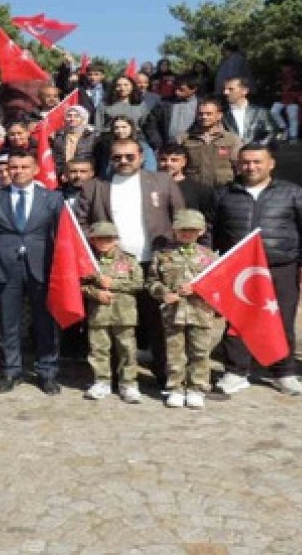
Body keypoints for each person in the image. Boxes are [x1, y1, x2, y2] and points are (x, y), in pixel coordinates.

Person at [213, 143, 302, 396]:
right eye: (245, 162)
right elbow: (210, 229)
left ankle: (283, 372)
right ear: (238, 165)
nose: (251, 167)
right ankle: (235, 371)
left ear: (270, 164)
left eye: (257, 162)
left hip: (281, 267)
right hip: (239, 267)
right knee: (237, 321)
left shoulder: (292, 193)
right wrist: (210, 262)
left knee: (281, 320)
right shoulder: (224, 194)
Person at [77, 137, 185, 388]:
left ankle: (165, 374)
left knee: (158, 322)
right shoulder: (94, 187)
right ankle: (116, 377)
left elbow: (179, 218)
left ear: (142, 157)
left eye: (129, 156)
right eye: (117, 157)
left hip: (153, 263)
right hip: (114, 268)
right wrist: (97, 245)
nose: (123, 161)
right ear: (110, 159)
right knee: (116, 323)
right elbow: (80, 223)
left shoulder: (162, 181)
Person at [0, 151, 65, 395]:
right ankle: (10, 371)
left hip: (42, 266)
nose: (19, 171)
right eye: (14, 167)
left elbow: (63, 236)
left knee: (45, 322)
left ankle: (47, 372)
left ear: (36, 170)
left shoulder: (53, 199)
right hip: (4, 267)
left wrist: (62, 270)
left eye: (25, 167)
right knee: (7, 322)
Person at [148, 209, 220, 409]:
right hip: (173, 313)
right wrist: (163, 293)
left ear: (201, 231)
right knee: (174, 352)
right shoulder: (163, 255)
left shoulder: (210, 257)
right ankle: (175, 388)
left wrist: (197, 289)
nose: (187, 233)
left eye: (192, 230)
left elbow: (218, 285)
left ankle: (197, 388)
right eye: (183, 230)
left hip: (201, 312)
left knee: (200, 352)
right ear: (175, 230)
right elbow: (151, 281)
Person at [80, 221, 145, 403]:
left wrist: (113, 284)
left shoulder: (128, 260)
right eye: (99, 239)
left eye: (108, 239)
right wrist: (96, 293)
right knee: (98, 349)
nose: (103, 243)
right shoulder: (88, 261)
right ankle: (101, 381)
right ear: (92, 241)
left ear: (116, 240)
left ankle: (128, 384)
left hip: (124, 314)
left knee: (127, 350)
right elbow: (80, 285)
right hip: (98, 314)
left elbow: (138, 284)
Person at [179, 98, 242, 188]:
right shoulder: (184, 139)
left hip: (224, 189)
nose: (204, 117)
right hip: (194, 188)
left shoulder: (232, 139)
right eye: (200, 114)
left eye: (209, 114)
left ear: (219, 115)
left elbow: (239, 166)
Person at [156, 143, 215, 237]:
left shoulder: (200, 190)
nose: (168, 163)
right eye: (163, 159)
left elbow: (208, 222)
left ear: (184, 162)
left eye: (174, 160)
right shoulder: (148, 187)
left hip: (189, 242)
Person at [143, 74, 200, 150]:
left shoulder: (201, 105)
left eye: (181, 89)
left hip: (192, 148)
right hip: (166, 148)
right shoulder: (164, 103)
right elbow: (150, 124)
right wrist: (157, 144)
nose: (176, 92)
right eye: (176, 88)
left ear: (194, 89)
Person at [222, 77, 278, 145]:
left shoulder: (260, 112)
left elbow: (271, 133)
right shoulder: (222, 114)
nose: (225, 92)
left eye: (230, 89)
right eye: (224, 89)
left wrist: (255, 148)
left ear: (244, 91)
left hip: (257, 150)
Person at [51, 106, 96, 180]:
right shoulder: (59, 136)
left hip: (86, 176)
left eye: (76, 116)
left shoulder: (93, 136)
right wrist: (62, 172)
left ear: (83, 118)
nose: (72, 119)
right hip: (64, 176)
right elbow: (57, 158)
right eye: (69, 116)